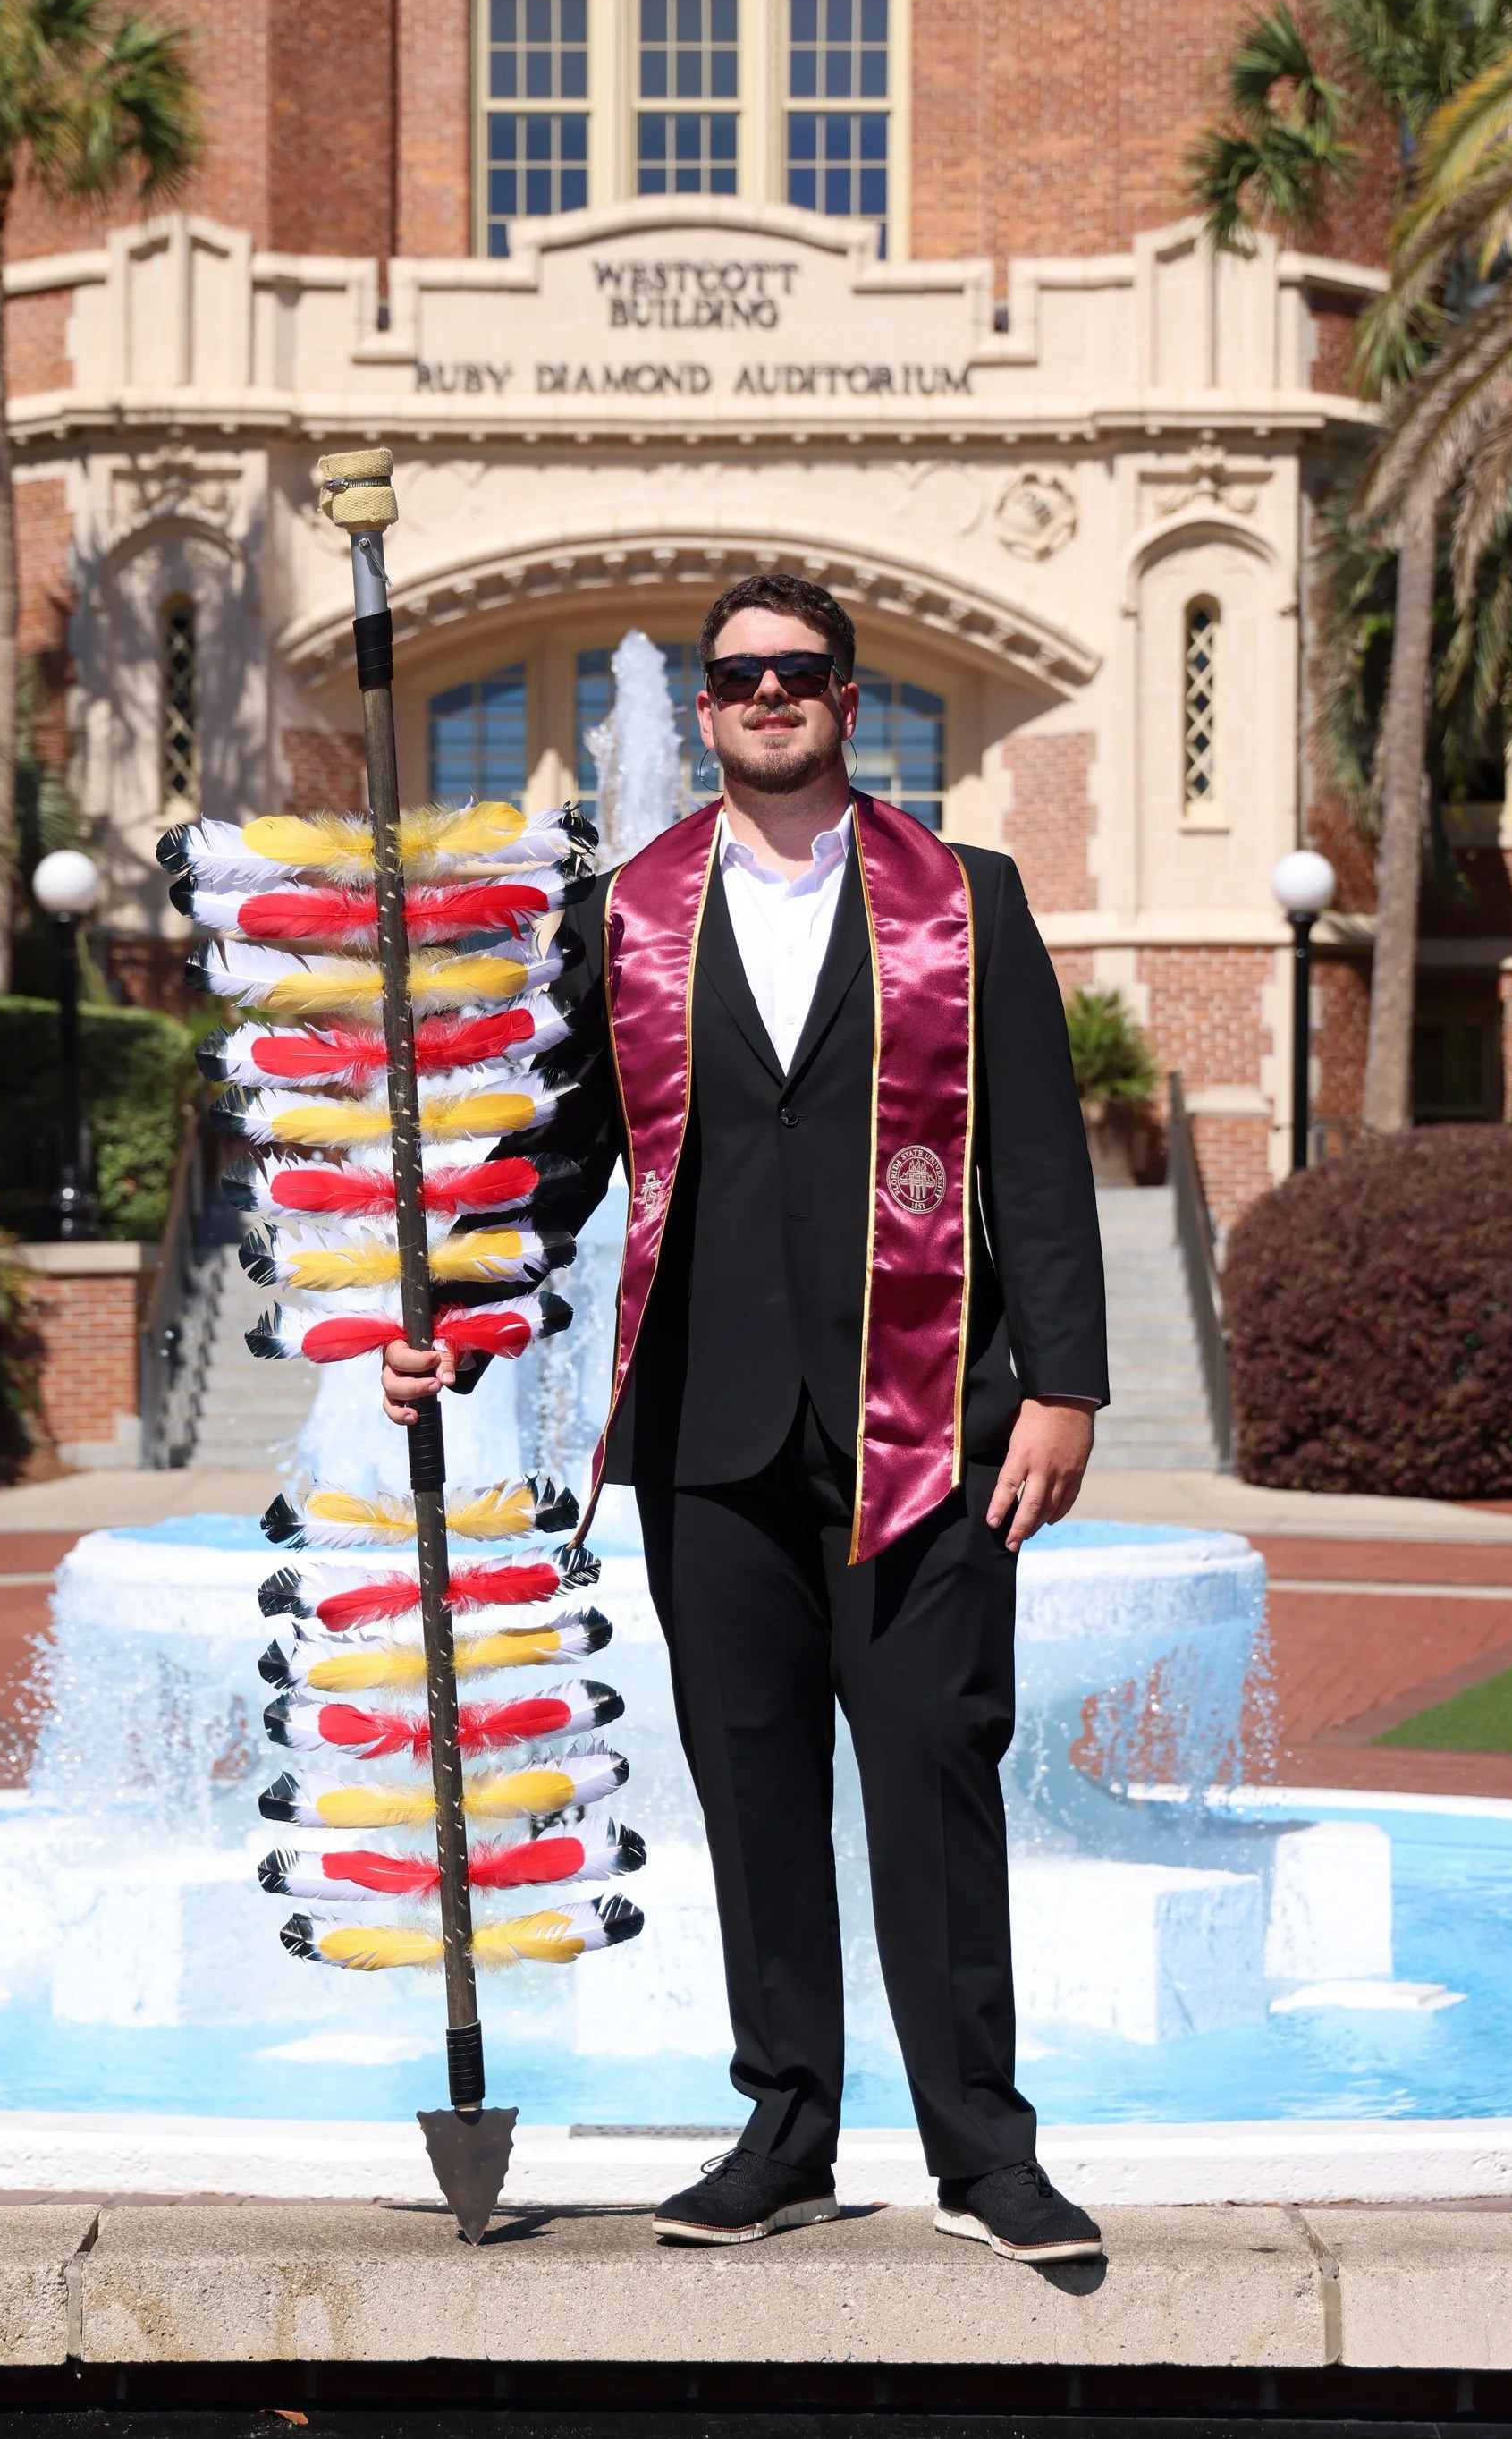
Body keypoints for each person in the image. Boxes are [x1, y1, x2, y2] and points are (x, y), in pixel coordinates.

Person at [385, 572, 1110, 2263]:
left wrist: (1061, 1385)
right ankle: (785, 2128)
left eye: (799, 672)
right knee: (754, 1780)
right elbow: (560, 1161)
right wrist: (453, 1323)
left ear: (851, 703)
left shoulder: (970, 902)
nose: (767, 695)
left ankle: (986, 2155)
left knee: (936, 1766)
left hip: (926, 1421)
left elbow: (1039, 1162)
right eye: (737, 678)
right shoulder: (620, 914)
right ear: (703, 715)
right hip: (709, 1426)